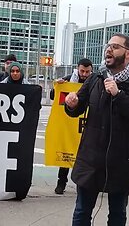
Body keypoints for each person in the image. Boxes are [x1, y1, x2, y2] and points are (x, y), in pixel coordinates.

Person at [64, 34, 129, 226]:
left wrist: (119, 95)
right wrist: (72, 104)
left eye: (115, 47)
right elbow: (77, 108)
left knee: (117, 214)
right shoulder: (96, 78)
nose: (109, 50)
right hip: (91, 160)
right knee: (81, 212)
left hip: (122, 161)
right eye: (108, 46)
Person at [50, 58, 93, 195]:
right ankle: (61, 183)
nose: (84, 74)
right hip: (70, 124)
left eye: (87, 72)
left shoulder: (95, 82)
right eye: (82, 71)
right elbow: (54, 96)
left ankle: (85, 186)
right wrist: (58, 85)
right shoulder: (68, 80)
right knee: (66, 153)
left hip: (86, 124)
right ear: (77, 69)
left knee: (87, 157)